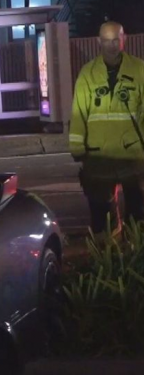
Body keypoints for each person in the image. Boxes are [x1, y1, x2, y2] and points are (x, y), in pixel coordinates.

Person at [70, 21, 144, 234]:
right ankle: (106, 259)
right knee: (102, 220)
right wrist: (77, 148)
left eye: (115, 39)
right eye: (106, 40)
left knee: (137, 217)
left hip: (132, 158)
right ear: (98, 42)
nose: (111, 45)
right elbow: (78, 113)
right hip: (98, 158)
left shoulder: (139, 70)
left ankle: (134, 261)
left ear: (124, 39)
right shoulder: (87, 73)